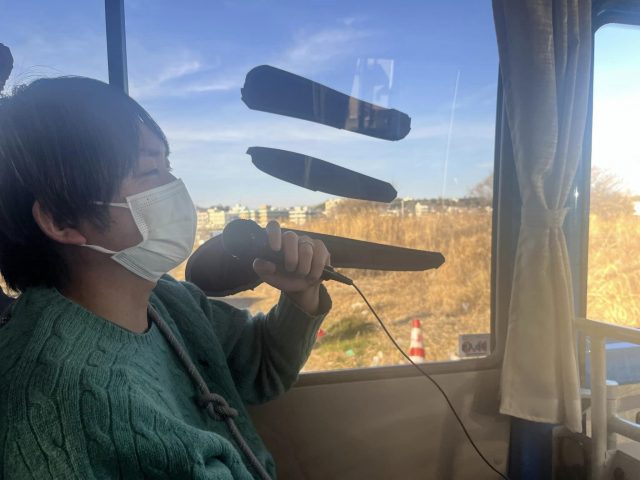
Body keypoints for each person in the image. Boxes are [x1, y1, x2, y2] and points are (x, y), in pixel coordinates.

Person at [0, 76, 332, 479]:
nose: (175, 188)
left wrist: (301, 295)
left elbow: (259, 369)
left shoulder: (169, 300)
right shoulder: (45, 407)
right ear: (62, 220)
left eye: (168, 167)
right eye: (149, 171)